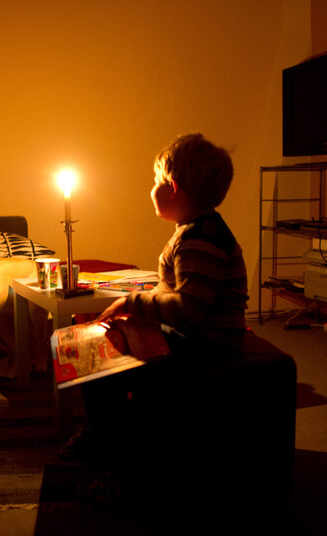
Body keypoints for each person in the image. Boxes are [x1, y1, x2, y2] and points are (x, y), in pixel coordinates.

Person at [60, 133, 249, 502]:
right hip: (190, 334)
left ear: (172, 188)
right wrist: (139, 306)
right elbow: (177, 295)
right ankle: (100, 431)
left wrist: (134, 304)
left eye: (155, 182)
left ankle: (126, 468)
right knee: (88, 337)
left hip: (206, 343)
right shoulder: (196, 231)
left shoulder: (201, 239)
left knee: (95, 360)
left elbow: (190, 309)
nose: (151, 189)